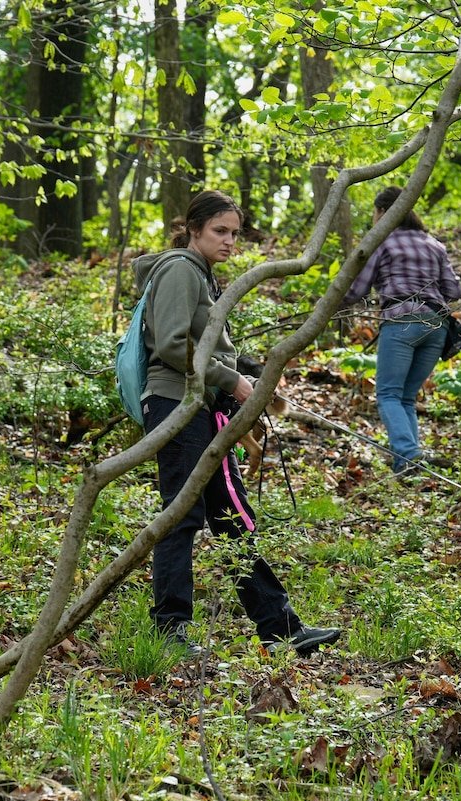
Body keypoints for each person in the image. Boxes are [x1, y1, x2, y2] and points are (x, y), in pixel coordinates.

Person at [134, 189, 342, 657]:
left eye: (235, 232)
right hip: (176, 406)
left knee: (230, 517)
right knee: (180, 518)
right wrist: (230, 381)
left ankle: (280, 628)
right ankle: (169, 633)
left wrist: (240, 379)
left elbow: (204, 347)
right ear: (193, 230)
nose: (230, 241)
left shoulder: (200, 274)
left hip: (198, 406)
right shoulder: (180, 270)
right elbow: (170, 346)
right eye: (219, 231)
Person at [345, 187, 461, 474]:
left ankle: (410, 457)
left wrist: (332, 300)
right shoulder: (434, 244)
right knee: (406, 397)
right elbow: (454, 289)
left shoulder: (382, 243)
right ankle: (407, 464)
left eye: (375, 214)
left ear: (384, 213)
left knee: (388, 395)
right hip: (437, 325)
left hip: (401, 322)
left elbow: (356, 289)